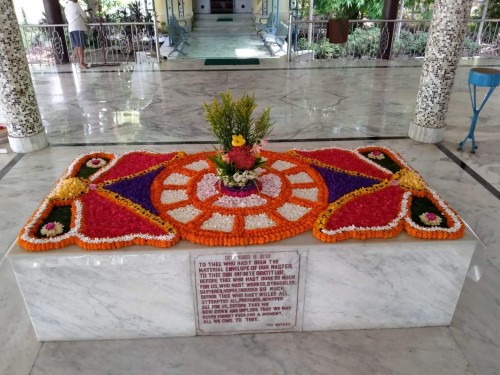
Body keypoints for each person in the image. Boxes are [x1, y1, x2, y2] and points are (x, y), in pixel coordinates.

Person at [64, 0, 89, 69]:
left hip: (71, 28)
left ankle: (80, 62)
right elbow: (84, 16)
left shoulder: (66, 7)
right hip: (78, 27)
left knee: (76, 45)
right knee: (80, 45)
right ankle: (81, 62)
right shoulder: (76, 5)